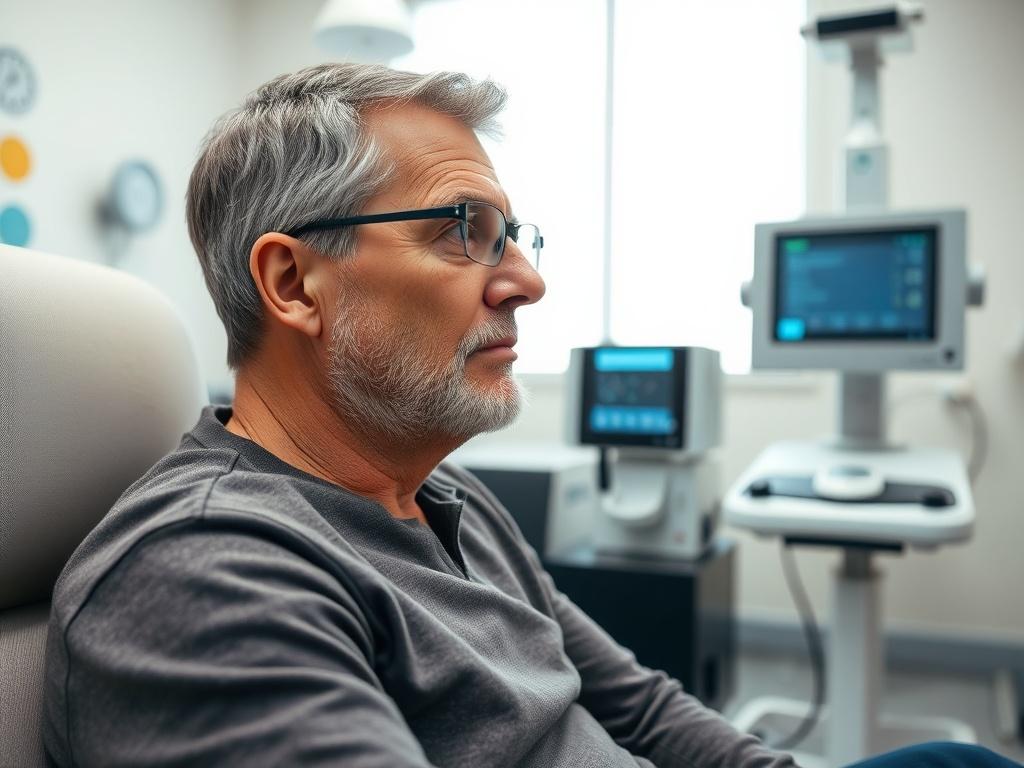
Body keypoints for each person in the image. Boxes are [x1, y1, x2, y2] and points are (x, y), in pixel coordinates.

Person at [42, 63, 1020, 768]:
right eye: (464, 231)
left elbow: (633, 705)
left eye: (514, 235)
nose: (528, 281)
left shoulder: (445, 496)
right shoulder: (207, 579)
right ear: (293, 282)